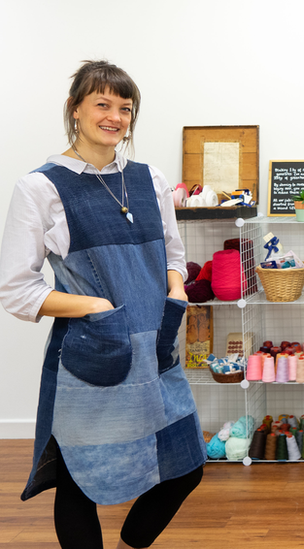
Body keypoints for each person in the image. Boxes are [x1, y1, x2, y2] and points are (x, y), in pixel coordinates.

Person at [0, 60, 205, 549]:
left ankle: (130, 545)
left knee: (185, 467)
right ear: (75, 109)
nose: (115, 116)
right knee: (80, 480)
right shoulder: (42, 187)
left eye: (125, 108)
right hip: (96, 355)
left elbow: (173, 253)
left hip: (155, 352)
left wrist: (175, 288)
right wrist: (92, 306)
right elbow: (15, 288)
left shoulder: (148, 178)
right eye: (103, 104)